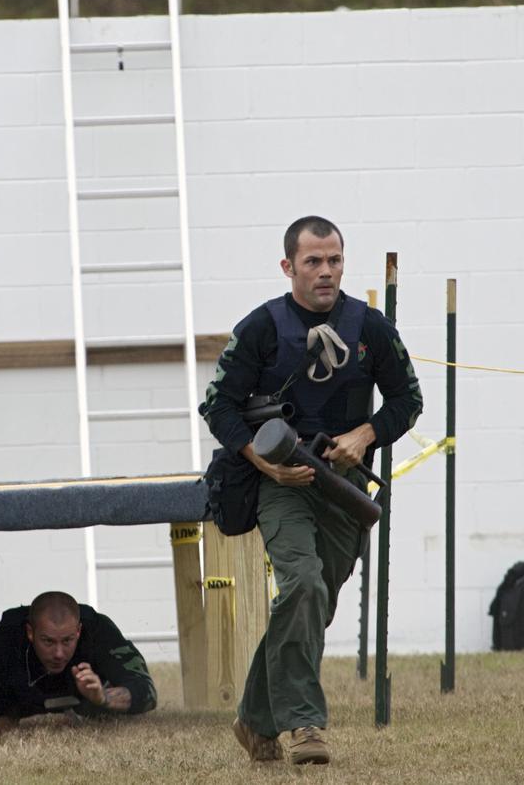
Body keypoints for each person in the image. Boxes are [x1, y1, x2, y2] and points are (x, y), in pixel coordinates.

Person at [199, 215, 422, 765]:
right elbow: (218, 405)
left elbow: (407, 401)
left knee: (312, 604)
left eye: (335, 260)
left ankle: (254, 721)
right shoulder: (262, 327)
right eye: (313, 262)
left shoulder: (369, 327)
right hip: (283, 481)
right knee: (301, 584)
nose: (326, 271)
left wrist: (364, 434)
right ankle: (304, 727)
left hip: (343, 486)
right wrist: (261, 461)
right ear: (288, 266)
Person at [0, 591, 157, 735]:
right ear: (30, 633)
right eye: (48, 641)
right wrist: (10, 725)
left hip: (54, 699)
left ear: (78, 631)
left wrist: (103, 698)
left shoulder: (98, 631)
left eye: (67, 641)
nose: (59, 653)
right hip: (7, 697)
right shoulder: (4, 642)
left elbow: (145, 691)